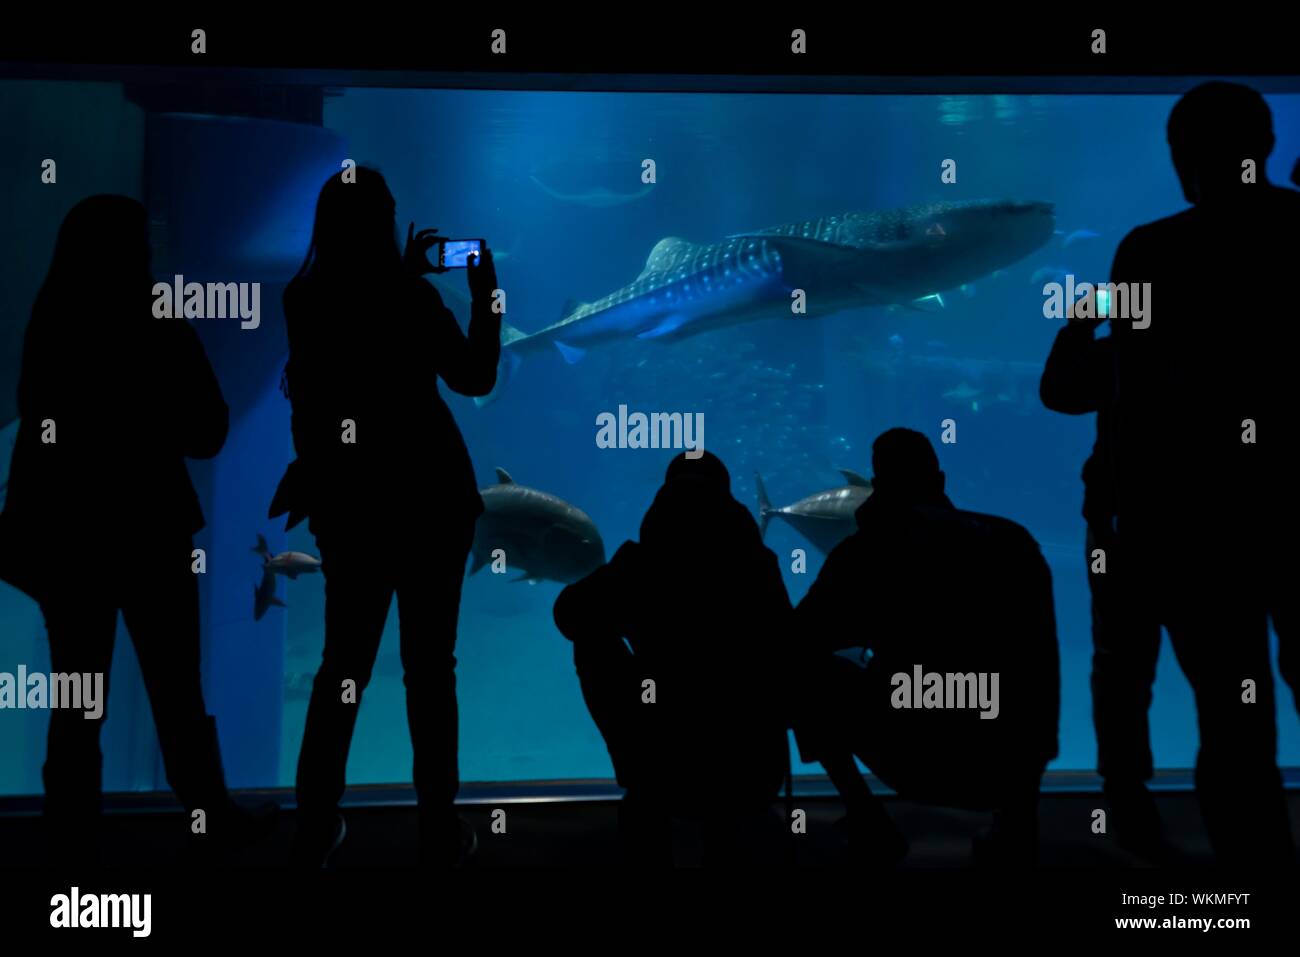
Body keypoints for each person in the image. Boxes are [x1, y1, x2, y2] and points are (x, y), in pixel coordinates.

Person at [0, 195, 274, 865]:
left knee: (77, 693)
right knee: (177, 686)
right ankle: (209, 814)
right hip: (151, 533)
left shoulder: (51, 315)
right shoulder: (157, 317)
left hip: (68, 542)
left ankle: (69, 835)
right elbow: (208, 427)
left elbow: (39, 419)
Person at [272, 167, 499, 867]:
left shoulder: (303, 299)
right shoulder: (414, 297)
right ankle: (436, 824)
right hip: (430, 502)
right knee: (431, 669)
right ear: (382, 223)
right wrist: (486, 295)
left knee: (344, 665)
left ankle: (314, 820)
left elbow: (332, 379)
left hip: (354, 508)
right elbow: (474, 377)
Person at [1106, 81, 1297, 865]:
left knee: (1233, 714)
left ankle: (1253, 881)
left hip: (1196, 525)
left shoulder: (1152, 248)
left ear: (1184, 155)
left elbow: (1128, 385)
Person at [793, 428, 1059, 867]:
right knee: (1025, 672)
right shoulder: (1015, 541)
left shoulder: (866, 552)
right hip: (1009, 766)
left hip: (916, 757)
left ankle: (868, 817)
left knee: (806, 672)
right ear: (940, 479)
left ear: (876, 488)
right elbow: (1040, 670)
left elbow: (800, 642)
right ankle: (1016, 823)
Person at [552, 452, 793, 866]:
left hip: (660, 765)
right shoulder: (758, 566)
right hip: (750, 771)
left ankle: (638, 782)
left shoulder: (641, 565)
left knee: (591, 639)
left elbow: (568, 614)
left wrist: (626, 578)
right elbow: (791, 650)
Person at [1040, 298, 1171, 860]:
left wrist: (1077, 323)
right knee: (1229, 672)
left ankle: (1125, 791)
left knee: (1119, 663)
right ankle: (1243, 802)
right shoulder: (1220, 350)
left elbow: (1059, 394)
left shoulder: (1119, 354)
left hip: (1122, 529)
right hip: (1214, 534)